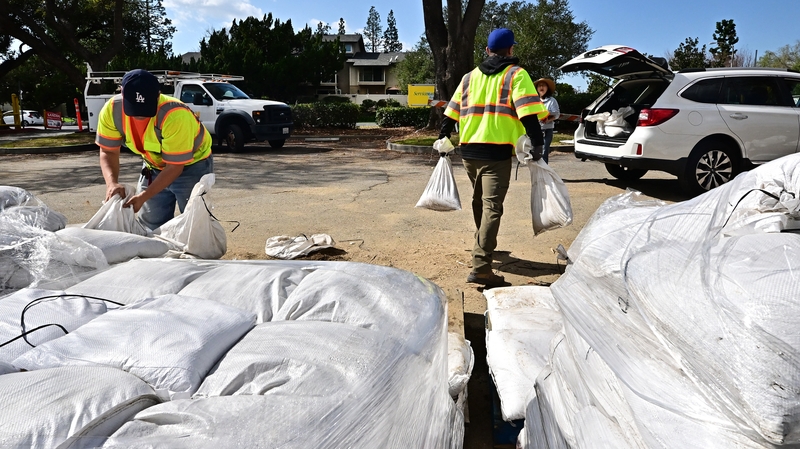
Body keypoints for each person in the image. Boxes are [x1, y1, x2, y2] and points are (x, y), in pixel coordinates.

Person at [438, 28, 548, 288]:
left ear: (487, 51)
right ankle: (482, 267)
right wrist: (538, 144)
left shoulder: (469, 77)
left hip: (468, 151)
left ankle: (483, 248)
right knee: (492, 208)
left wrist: (443, 136)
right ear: (511, 50)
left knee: (480, 201)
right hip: (496, 153)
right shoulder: (516, 75)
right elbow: (529, 114)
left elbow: (450, 113)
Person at [95, 69, 214, 230]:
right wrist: (112, 184)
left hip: (192, 165)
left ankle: (199, 253)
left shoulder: (175, 115)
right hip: (153, 167)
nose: (139, 115)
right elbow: (108, 151)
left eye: (145, 108)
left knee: (194, 222)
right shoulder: (112, 111)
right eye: (133, 107)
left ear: (158, 95)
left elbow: (174, 166)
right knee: (151, 225)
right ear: (122, 94)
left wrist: (143, 196)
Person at [534, 77, 560, 163]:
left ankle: (544, 173)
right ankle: (537, 172)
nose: (541, 87)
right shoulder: (535, 101)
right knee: (535, 151)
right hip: (536, 130)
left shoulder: (552, 101)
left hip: (547, 130)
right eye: (539, 86)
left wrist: (548, 119)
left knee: (544, 151)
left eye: (543, 85)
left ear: (547, 88)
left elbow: (556, 114)